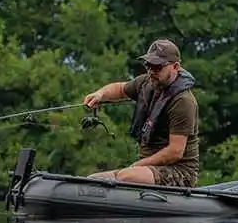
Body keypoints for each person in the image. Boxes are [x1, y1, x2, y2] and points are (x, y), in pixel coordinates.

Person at [82, 38, 199, 187]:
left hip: (180, 171)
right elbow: (120, 89)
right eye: (148, 66)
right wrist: (100, 94)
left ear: (175, 66)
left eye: (157, 67)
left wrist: (138, 165)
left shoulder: (183, 101)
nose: (151, 71)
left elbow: (175, 152)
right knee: (92, 180)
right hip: (147, 169)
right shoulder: (146, 82)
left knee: (127, 176)